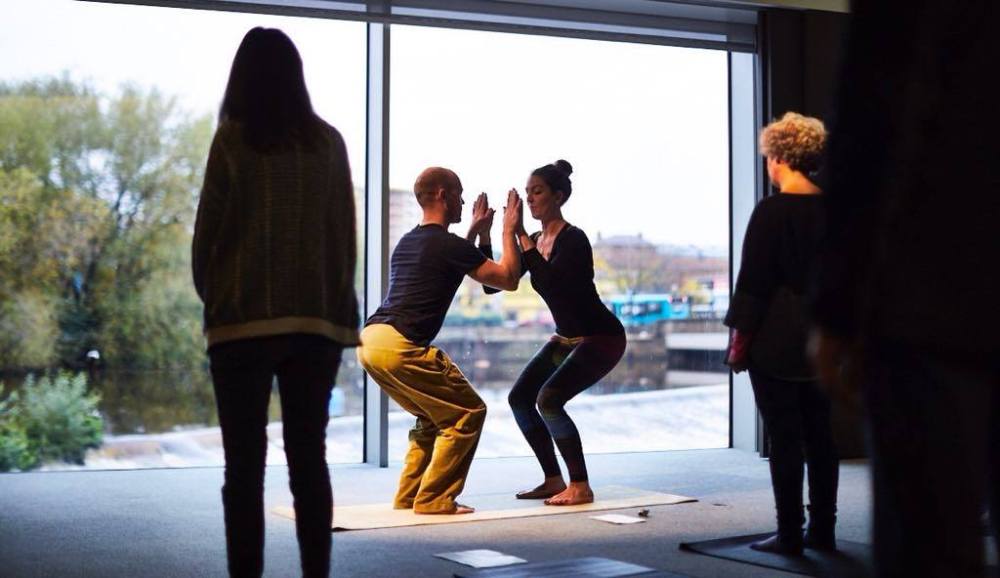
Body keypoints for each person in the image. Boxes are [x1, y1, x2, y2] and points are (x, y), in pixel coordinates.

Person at [810, 2, 999, 576]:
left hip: (938, 296)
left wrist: (838, 309)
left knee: (930, 543)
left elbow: (876, 117)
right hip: (940, 297)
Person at [191, 27, 359, 578]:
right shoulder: (329, 143)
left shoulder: (233, 140)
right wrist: (334, 308)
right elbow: (343, 235)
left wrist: (216, 298)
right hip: (314, 325)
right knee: (308, 459)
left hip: (240, 324)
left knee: (243, 468)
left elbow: (207, 236)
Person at [356, 167, 522, 515]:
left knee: (432, 418)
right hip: (400, 345)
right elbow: (505, 279)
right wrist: (508, 230)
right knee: (467, 413)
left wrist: (477, 233)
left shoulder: (410, 241)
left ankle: (409, 496)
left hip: (371, 341)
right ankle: (434, 499)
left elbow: (450, 260)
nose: (464, 202)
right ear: (443, 195)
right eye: (460, 194)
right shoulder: (447, 246)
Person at [724, 113, 837, 555]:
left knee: (785, 439)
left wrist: (738, 346)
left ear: (778, 157)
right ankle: (823, 531)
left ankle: (789, 533)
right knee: (821, 437)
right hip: (823, 338)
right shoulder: (835, 210)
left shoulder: (772, 212)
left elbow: (753, 285)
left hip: (776, 340)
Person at [500, 160, 627, 506]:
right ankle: (553, 479)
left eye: (537, 192)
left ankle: (580, 486)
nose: (530, 199)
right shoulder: (537, 240)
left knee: (550, 400)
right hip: (567, 336)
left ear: (559, 196)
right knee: (519, 398)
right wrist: (488, 233)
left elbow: (551, 284)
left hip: (600, 337)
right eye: (526, 193)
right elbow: (499, 284)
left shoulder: (574, 239)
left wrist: (521, 235)